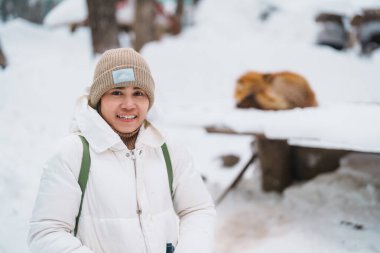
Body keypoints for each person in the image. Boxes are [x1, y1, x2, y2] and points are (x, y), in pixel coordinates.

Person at [28, 48, 216, 253]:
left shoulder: (167, 149)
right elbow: (46, 234)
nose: (129, 105)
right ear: (99, 98)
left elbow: (197, 209)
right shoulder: (72, 154)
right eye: (117, 92)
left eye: (138, 93)